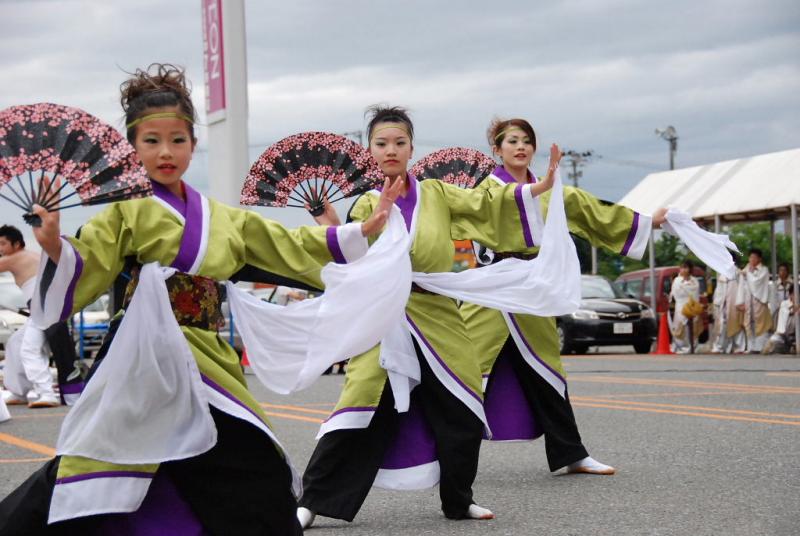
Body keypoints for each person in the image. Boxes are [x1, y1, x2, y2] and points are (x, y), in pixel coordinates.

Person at [0, 64, 398, 536]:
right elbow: (86, 265)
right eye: (151, 141)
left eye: (177, 139)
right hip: (145, 359)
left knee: (250, 467)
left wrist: (357, 232)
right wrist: (53, 246)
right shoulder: (125, 214)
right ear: (132, 148)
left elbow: (286, 245)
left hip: (209, 358)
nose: (165, 152)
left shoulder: (223, 218)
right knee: (94, 464)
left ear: (192, 144)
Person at [297, 105, 558, 527]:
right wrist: (332, 224)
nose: (391, 150)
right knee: (361, 403)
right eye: (382, 143)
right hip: (385, 315)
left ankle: (459, 499)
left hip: (435, 309)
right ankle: (313, 500)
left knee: (463, 402)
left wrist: (533, 189)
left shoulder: (437, 194)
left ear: (412, 148)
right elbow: (350, 257)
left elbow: (486, 206)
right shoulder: (366, 204)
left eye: (399, 142)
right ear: (370, 150)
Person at [460, 117, 665, 477]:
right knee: (460, 374)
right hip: (492, 293)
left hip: (532, 292)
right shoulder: (488, 190)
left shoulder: (553, 191)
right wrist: (541, 187)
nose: (520, 146)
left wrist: (648, 223)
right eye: (512, 141)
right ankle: (436, 456)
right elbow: (497, 207)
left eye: (526, 140)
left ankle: (572, 453)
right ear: (497, 150)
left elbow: (593, 211)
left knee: (548, 373)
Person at [0, 225, 59, 408]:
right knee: (15, 343)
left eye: (2, 243)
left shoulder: (15, 257)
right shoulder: (31, 254)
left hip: (42, 306)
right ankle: (19, 391)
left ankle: (47, 393)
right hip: (42, 306)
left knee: (29, 349)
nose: (0, 248)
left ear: (17, 244)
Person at [736, 249, 773, 353]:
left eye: (754, 257)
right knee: (749, 323)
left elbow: (756, 282)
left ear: (759, 259)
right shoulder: (746, 269)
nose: (752, 259)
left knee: (760, 323)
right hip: (749, 300)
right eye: (750, 257)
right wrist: (740, 301)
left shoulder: (764, 270)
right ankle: (751, 347)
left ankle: (760, 347)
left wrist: (748, 274)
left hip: (759, 301)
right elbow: (742, 286)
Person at [710, 259, 745, 353]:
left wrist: (740, 301)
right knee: (722, 325)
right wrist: (717, 301)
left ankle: (738, 346)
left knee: (736, 324)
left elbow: (741, 287)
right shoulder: (721, 272)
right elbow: (719, 289)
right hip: (723, 303)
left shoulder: (738, 273)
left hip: (734, 302)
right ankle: (719, 346)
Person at [668, 260, 702, 354]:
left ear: (689, 269)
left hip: (692, 305)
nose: (683, 270)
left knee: (693, 327)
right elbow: (676, 293)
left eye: (685, 268)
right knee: (681, 327)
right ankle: (681, 347)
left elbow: (695, 292)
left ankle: (693, 347)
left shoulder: (694, 280)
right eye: (682, 267)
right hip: (681, 306)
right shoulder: (677, 280)